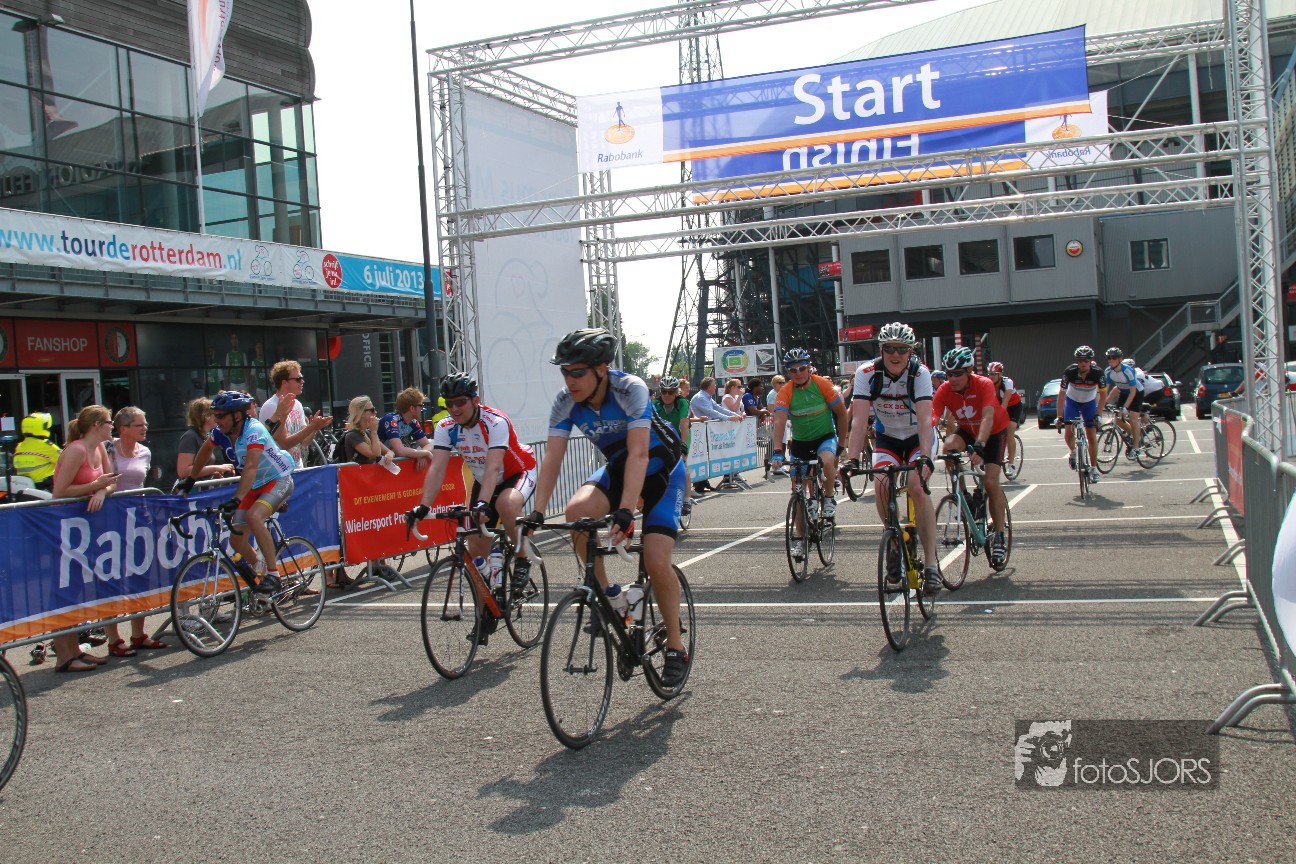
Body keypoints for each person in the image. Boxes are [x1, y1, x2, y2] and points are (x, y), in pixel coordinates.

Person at [528, 328, 691, 687]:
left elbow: (639, 453)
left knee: (656, 560)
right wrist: (537, 512)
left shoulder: (630, 388)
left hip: (663, 472)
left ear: (601, 369)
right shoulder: (565, 401)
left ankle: (675, 647)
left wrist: (626, 510)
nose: (569, 380)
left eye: (577, 372)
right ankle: (610, 597)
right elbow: (552, 458)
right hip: (620, 469)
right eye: (564, 371)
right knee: (576, 514)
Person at [406, 375, 539, 637]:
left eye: (460, 402)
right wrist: (423, 507)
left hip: (518, 472)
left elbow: (493, 467)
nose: (454, 408)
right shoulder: (447, 426)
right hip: (484, 480)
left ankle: (522, 557)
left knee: (505, 504)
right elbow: (437, 468)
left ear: (475, 400)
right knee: (475, 549)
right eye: (449, 403)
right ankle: (485, 612)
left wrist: (482, 504)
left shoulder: (495, 422)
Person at [843, 323, 939, 592]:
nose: (895, 355)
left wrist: (925, 457)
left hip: (918, 439)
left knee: (917, 488)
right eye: (889, 349)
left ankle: (931, 564)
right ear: (881, 349)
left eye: (902, 349)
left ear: (911, 351)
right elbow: (859, 420)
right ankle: (894, 542)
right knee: (882, 485)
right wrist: (852, 458)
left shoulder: (919, 373)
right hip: (888, 439)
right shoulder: (867, 373)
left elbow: (925, 419)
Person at [176, 391, 296, 595]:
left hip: (277, 479)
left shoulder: (254, 430)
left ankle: (274, 576)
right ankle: (262, 575)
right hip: (254, 484)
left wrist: (236, 499)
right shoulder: (221, 432)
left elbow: (250, 467)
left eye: (221, 416)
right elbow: (205, 451)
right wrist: (191, 479)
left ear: (237, 416)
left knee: (254, 517)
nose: (216, 420)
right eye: (214, 415)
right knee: (236, 540)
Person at [48, 405, 119, 673]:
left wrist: (102, 491)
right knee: (64, 591)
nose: (112, 427)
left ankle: (75, 650)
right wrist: (94, 486)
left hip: (83, 528)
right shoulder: (76, 450)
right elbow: (59, 492)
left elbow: (112, 480)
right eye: (109, 422)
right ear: (96, 425)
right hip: (63, 526)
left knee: (76, 589)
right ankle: (63, 656)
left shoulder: (99, 448)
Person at [933, 347, 1011, 567]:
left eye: (958, 373)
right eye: (949, 374)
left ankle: (999, 536)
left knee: (991, 482)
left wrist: (980, 446)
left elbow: (988, 417)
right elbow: (932, 414)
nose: (952, 379)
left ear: (969, 371)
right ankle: (964, 494)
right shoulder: (945, 389)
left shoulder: (984, 384)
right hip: (968, 429)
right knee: (948, 447)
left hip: (993, 432)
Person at [769, 347, 849, 562]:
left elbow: (842, 414)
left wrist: (842, 444)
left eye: (802, 368)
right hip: (801, 443)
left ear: (809, 367)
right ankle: (800, 539)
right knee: (796, 491)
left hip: (824, 437)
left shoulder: (822, 385)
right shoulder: (785, 391)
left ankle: (829, 498)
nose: (798, 373)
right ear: (787, 372)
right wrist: (777, 451)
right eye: (793, 370)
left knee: (827, 460)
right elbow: (779, 422)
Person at [99, 407, 167, 655]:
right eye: (139, 424)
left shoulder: (145, 451)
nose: (145, 428)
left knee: (140, 576)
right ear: (123, 428)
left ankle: (138, 634)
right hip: (111, 520)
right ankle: (114, 639)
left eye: (145, 423)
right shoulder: (107, 449)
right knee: (112, 578)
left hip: (140, 518)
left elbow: (140, 483)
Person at [259, 360, 332, 469]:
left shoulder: (297, 404)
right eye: (298, 379)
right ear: (284, 382)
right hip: (279, 471)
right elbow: (284, 444)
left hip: (297, 468)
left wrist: (315, 428)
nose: (302, 382)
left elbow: (304, 442)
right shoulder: (272, 406)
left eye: (302, 378)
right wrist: (312, 427)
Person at [1059, 345, 1104, 484]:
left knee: (1091, 436)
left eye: (1086, 361)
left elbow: (1103, 396)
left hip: (1089, 403)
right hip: (1072, 402)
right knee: (1068, 432)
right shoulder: (1070, 372)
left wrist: (1098, 414)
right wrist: (1059, 416)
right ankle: (1073, 452)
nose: (1083, 363)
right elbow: (1061, 395)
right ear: (1077, 361)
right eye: (1080, 361)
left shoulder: (1098, 373)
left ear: (1090, 361)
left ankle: (1094, 469)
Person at [688, 376, 743, 491]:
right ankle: (699, 483)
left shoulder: (707, 397)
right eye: (714, 385)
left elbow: (718, 408)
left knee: (705, 455)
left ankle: (703, 482)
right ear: (708, 387)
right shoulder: (700, 397)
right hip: (700, 430)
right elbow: (710, 412)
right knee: (701, 456)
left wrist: (734, 415)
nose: (716, 387)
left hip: (707, 429)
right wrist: (728, 418)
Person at [652, 376, 694, 507]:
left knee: (682, 465)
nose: (666, 395)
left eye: (670, 392)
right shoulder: (655, 404)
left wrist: (683, 445)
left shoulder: (682, 403)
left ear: (676, 392)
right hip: (663, 436)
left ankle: (687, 500)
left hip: (680, 435)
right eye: (663, 391)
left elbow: (684, 424)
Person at [176, 397, 236, 482]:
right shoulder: (190, 436)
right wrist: (216, 468)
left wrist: (214, 474)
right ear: (206, 416)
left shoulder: (206, 435)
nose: (218, 418)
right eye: (215, 414)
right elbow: (183, 471)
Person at [1098, 347, 1142, 457]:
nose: (1111, 360)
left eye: (1114, 358)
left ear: (1120, 359)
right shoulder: (1108, 371)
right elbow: (1105, 390)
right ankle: (1135, 435)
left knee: (1133, 418)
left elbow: (1133, 392)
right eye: (1109, 358)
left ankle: (1136, 447)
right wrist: (1102, 404)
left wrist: (1125, 407)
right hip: (1123, 392)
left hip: (1136, 392)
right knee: (1117, 419)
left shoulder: (1127, 371)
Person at [378, 387, 434, 466]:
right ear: (412, 408)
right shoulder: (391, 420)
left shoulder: (413, 422)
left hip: (390, 462)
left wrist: (421, 454)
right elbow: (400, 451)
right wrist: (424, 453)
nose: (422, 408)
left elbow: (428, 445)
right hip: (375, 462)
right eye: (421, 405)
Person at [986, 362, 1025, 467]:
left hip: (1013, 406)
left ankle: (1011, 463)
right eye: (990, 374)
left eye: (994, 374)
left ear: (1001, 374)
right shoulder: (988, 384)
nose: (991, 377)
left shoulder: (1008, 382)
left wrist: (998, 417)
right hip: (999, 406)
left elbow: (1005, 402)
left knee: (1009, 430)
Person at [341, 395, 396, 466]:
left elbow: (389, 451)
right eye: (372, 410)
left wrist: (389, 455)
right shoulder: (352, 435)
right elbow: (375, 455)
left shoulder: (367, 433)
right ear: (361, 413)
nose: (375, 412)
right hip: (358, 472)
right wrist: (374, 431)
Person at [13, 411, 61, 492]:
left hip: (24, 489)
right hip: (44, 489)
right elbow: (68, 461)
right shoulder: (46, 446)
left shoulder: (19, 446)